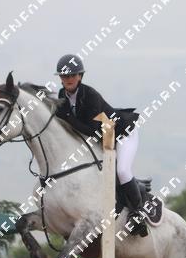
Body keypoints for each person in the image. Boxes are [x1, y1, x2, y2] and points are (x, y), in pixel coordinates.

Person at [54, 54, 147, 237]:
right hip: (104, 138)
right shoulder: (61, 95)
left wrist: (68, 117)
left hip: (122, 133)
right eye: (64, 76)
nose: (68, 79)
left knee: (122, 171)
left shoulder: (90, 95)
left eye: (72, 75)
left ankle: (138, 214)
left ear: (80, 76)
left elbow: (92, 130)